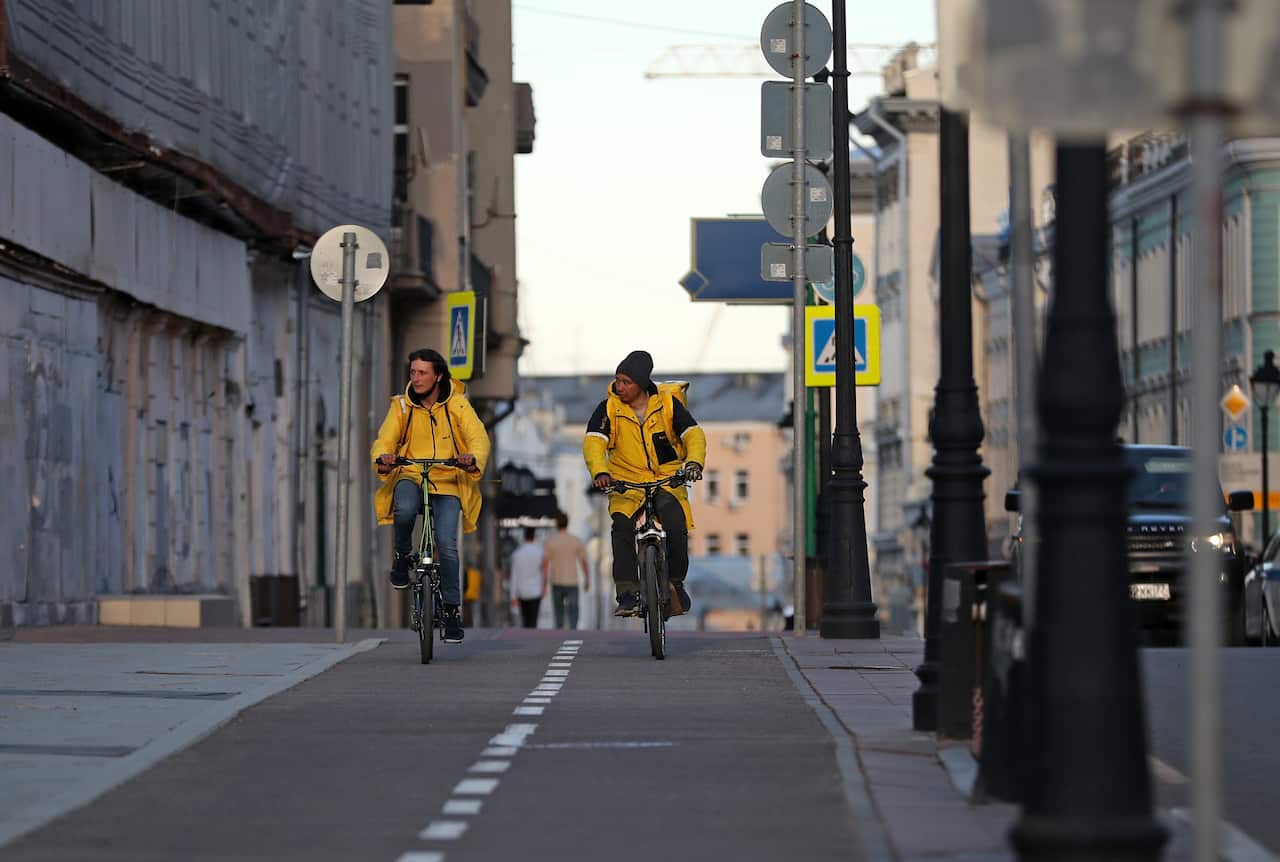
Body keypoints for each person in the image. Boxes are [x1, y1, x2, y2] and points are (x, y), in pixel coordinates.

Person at [371, 348, 490, 644]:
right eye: (413, 372)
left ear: (438, 376)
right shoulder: (401, 407)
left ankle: (451, 612)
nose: (416, 377)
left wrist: (472, 457)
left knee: (447, 546)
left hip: (448, 479)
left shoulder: (458, 405)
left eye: (422, 372)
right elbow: (385, 438)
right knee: (405, 510)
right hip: (411, 474)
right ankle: (401, 557)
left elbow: (478, 437)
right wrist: (383, 457)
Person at [583, 350, 706, 618]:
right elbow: (594, 442)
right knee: (622, 528)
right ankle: (627, 593)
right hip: (625, 483)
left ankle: (675, 583)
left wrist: (694, 463)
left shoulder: (668, 405)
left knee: (676, 524)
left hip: (666, 479)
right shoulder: (608, 409)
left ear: (641, 384)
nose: (620, 387)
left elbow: (693, 434)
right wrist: (600, 472)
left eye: (627, 382)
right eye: (617, 380)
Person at [542, 511, 590, 629]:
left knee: (559, 610)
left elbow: (545, 564)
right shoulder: (575, 540)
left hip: (557, 581)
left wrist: (544, 584)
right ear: (567, 523)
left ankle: (559, 632)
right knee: (574, 609)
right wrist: (587, 579)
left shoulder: (551, 541)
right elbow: (583, 561)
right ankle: (573, 631)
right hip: (572, 581)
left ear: (557, 524)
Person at [509, 527, 546, 628]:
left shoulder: (517, 554)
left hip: (522, 591)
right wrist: (544, 588)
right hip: (535, 591)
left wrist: (513, 596)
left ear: (524, 537)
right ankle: (532, 638)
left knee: (525, 621)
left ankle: (526, 637)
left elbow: (514, 575)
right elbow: (543, 571)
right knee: (533, 621)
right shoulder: (540, 552)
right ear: (534, 537)